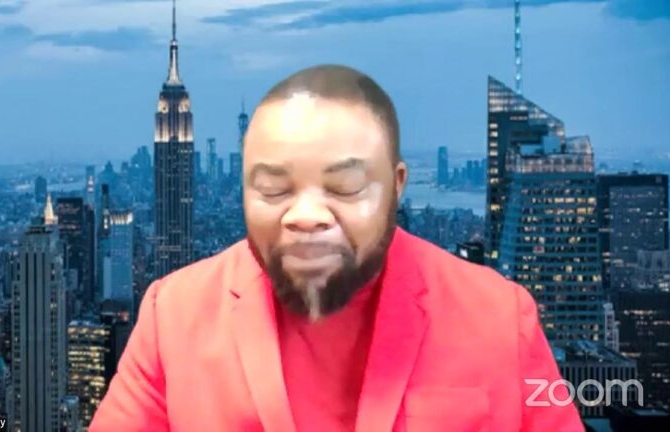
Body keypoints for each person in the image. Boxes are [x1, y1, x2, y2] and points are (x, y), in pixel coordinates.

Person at [90, 64, 583, 431]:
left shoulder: (499, 315)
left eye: (345, 188)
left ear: (397, 186)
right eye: (273, 189)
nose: (306, 215)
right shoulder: (173, 315)